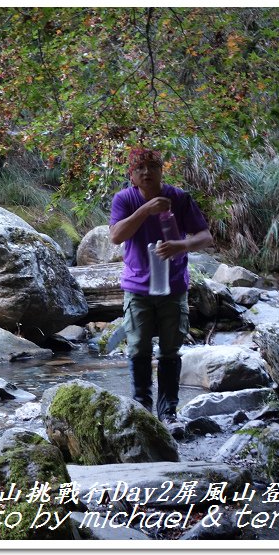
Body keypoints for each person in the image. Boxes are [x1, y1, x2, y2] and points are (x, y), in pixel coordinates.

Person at [108, 147, 213, 426]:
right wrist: (145, 210)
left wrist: (182, 245)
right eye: (139, 168)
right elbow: (116, 236)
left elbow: (205, 236)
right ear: (132, 176)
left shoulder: (178, 198)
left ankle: (168, 412)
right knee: (138, 346)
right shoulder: (125, 199)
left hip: (174, 286)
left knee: (170, 350)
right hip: (137, 288)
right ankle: (141, 406)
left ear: (161, 171)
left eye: (151, 167)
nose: (146, 172)